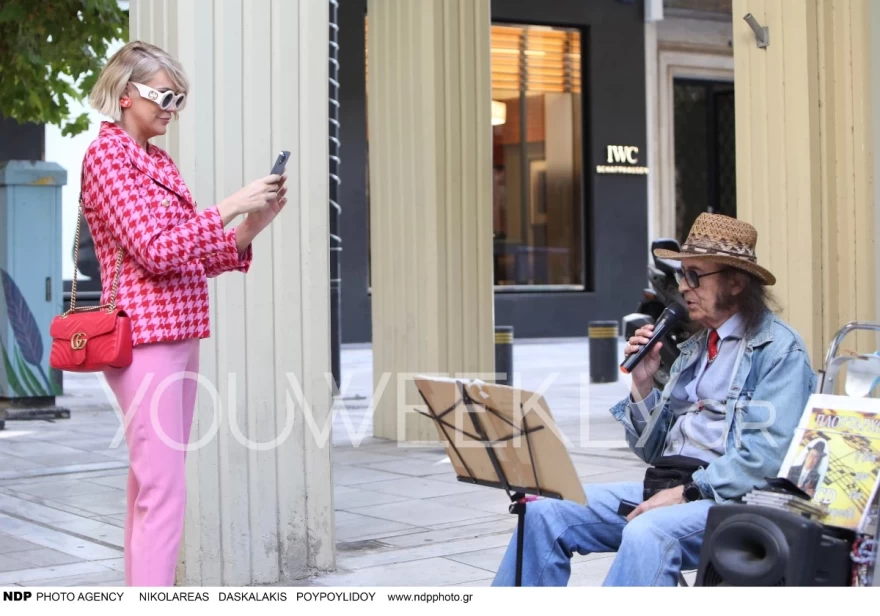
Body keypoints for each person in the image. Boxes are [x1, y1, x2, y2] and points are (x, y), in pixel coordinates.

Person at [492, 213, 816, 586]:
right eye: (681, 274)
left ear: (736, 282)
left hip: (732, 500)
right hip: (673, 484)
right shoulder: (695, 346)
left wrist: (690, 491)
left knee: (647, 532)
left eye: (695, 276)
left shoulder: (778, 350)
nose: (683, 287)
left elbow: (765, 458)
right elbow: (651, 450)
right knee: (544, 512)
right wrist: (642, 385)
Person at [82, 40, 287, 586]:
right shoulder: (107, 156)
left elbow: (188, 252)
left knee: (149, 485)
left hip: (180, 332)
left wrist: (249, 227)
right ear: (127, 95)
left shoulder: (158, 162)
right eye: (164, 96)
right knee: (164, 489)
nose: (172, 107)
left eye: (181, 99)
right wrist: (228, 206)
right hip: (142, 339)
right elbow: (154, 248)